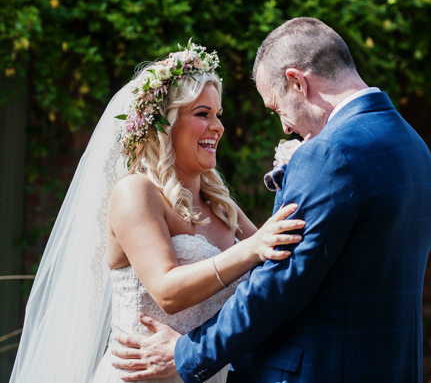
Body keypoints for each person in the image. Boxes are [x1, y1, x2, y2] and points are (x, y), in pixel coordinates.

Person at [112, 17, 431, 382]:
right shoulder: (415, 148)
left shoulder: (326, 156)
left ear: (296, 82)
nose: (285, 128)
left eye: (276, 108)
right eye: (202, 114)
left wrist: (187, 354)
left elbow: (278, 282)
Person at [9, 42, 304, 383]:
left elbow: (275, 263)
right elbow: (166, 291)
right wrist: (251, 248)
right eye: (202, 114)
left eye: (218, 115)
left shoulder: (222, 205)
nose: (218, 127)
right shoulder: (136, 192)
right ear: (165, 124)